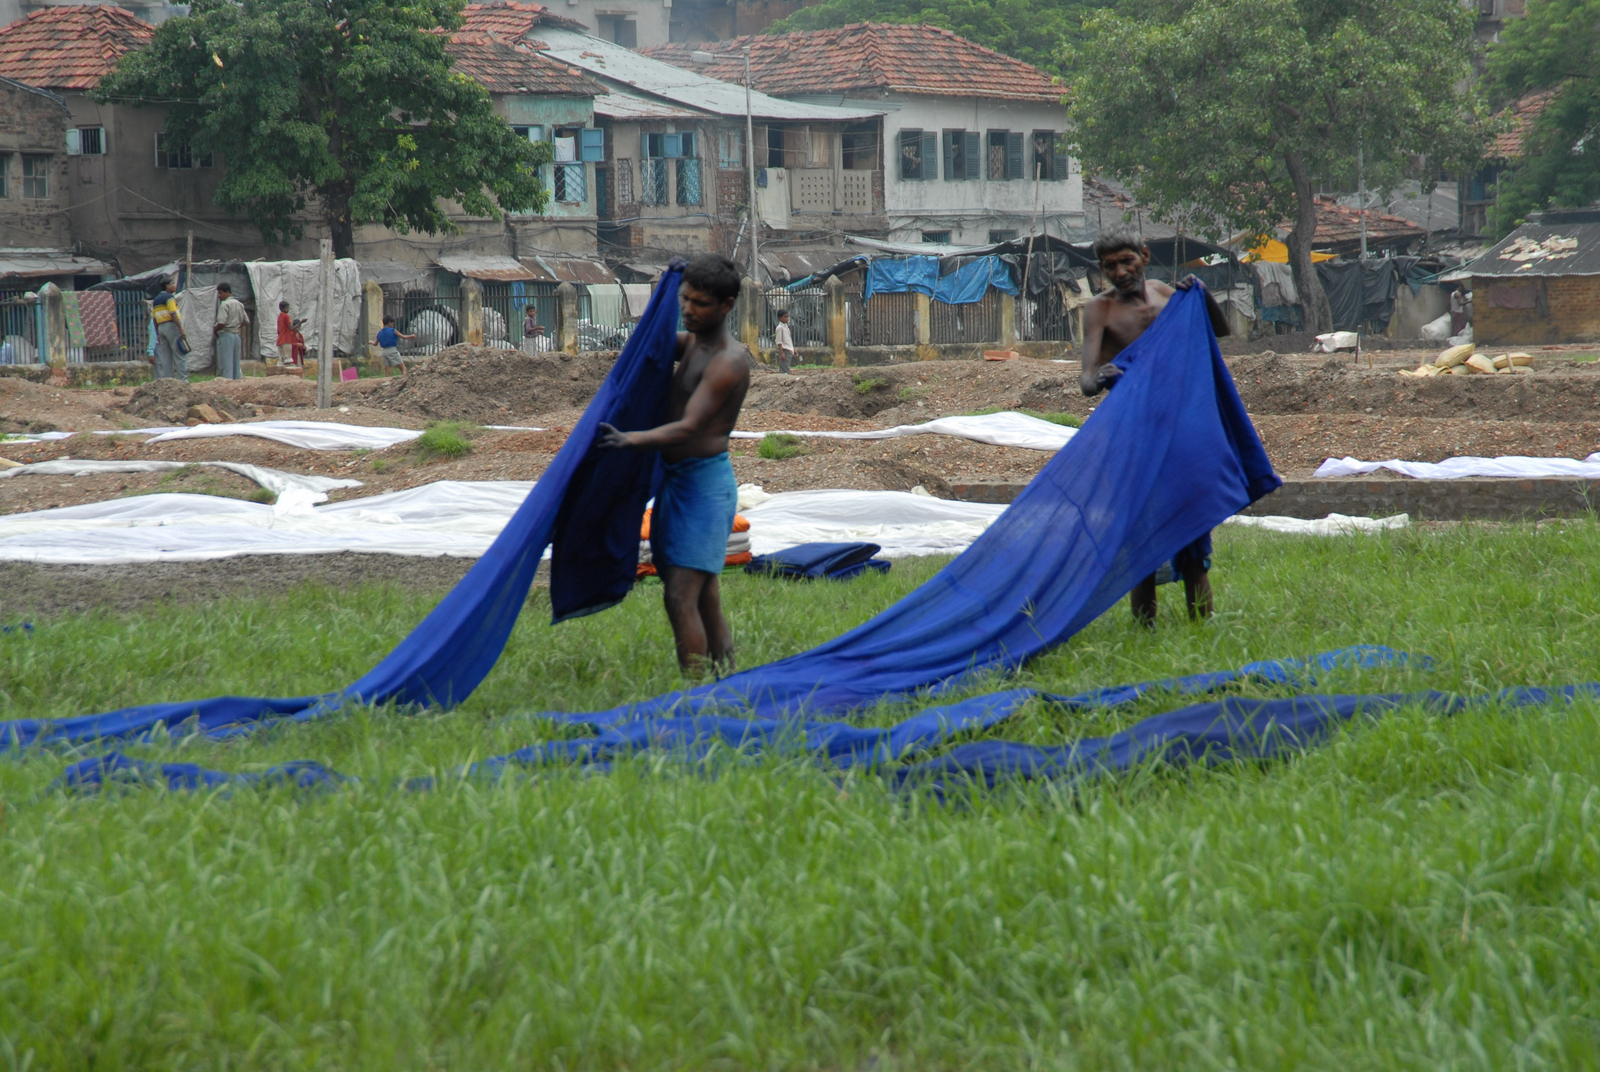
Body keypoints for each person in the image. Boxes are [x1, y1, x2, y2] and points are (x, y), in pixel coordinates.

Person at [596, 254, 752, 676]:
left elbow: (689, 427)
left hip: (704, 487)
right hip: (678, 483)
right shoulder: (695, 344)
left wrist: (629, 439)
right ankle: (726, 682)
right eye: (684, 300)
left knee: (680, 596)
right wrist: (666, 284)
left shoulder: (729, 361)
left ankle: (696, 696)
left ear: (727, 305)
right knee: (704, 595)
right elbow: (653, 341)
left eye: (700, 303)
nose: (688, 310)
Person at [1079, 225, 1231, 626]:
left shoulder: (1169, 294)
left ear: (1144, 256)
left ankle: (1203, 624)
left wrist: (1201, 291)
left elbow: (1219, 331)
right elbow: (1086, 381)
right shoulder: (1099, 310)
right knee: (1140, 539)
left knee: (1192, 538)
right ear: (1102, 270)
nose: (1120, 271)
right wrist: (1103, 375)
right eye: (1110, 266)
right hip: (1133, 435)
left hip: (1180, 429)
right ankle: (1143, 628)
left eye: (1126, 261)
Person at [150, 277, 188, 380]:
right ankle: (183, 380)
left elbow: (154, 318)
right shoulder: (169, 297)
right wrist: (180, 328)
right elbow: (173, 313)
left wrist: (158, 333)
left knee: (166, 357)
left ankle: (168, 381)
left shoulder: (156, 300)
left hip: (161, 327)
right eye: (172, 283)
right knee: (179, 354)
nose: (174, 286)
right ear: (167, 286)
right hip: (171, 326)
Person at [212, 283, 249, 380]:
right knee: (236, 362)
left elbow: (221, 322)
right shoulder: (239, 304)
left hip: (226, 334)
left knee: (226, 361)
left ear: (227, 292)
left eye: (220, 293)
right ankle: (236, 382)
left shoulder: (225, 305)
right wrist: (237, 327)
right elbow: (246, 321)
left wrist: (215, 331)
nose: (219, 296)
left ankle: (227, 382)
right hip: (236, 334)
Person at [773, 309, 797, 374]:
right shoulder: (779, 328)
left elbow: (788, 339)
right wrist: (781, 353)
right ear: (780, 318)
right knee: (785, 369)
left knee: (786, 367)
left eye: (787, 317)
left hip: (788, 350)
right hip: (784, 350)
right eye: (785, 317)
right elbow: (779, 341)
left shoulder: (786, 327)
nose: (787, 318)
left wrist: (793, 349)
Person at [275, 301, 299, 367]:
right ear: (282, 309)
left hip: (280, 339)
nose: (288, 310)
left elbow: (278, 330)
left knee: (281, 360)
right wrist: (299, 324)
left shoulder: (279, 317)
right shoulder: (286, 316)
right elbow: (291, 328)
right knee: (287, 360)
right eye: (287, 308)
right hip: (286, 339)